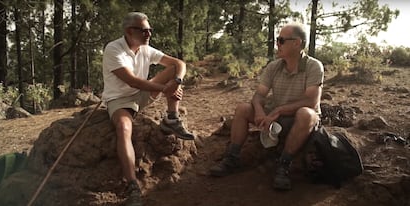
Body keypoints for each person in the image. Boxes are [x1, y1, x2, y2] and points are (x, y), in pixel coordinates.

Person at [209, 23, 324, 190]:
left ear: (297, 43)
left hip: (299, 120)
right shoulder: (274, 66)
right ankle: (231, 158)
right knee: (243, 109)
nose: (277, 44)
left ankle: (284, 166)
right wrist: (259, 112)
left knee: (306, 114)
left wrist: (278, 110)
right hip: (276, 117)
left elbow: (311, 102)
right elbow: (259, 95)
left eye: (281, 40)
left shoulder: (313, 66)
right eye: (277, 40)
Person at [102, 12, 195, 205]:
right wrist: (165, 88)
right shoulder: (114, 49)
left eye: (150, 30)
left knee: (173, 70)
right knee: (123, 128)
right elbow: (132, 81)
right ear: (129, 31)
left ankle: (171, 117)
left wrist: (176, 81)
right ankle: (132, 186)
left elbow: (179, 63)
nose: (149, 34)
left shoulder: (145, 48)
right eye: (144, 31)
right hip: (120, 100)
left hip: (142, 95)